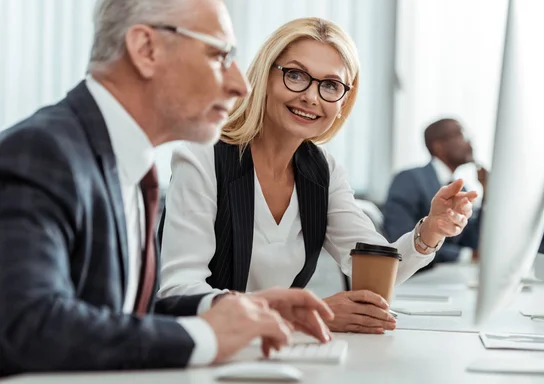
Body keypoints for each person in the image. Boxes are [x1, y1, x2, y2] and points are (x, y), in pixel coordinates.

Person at [0, 0, 334, 376]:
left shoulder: (134, 167)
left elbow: (121, 311)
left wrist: (231, 308)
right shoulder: (44, 152)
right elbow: (27, 325)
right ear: (146, 49)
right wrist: (205, 337)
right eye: (219, 55)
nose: (241, 86)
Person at [158, 18, 478, 335]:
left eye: (330, 85)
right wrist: (307, 314)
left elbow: (377, 274)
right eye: (295, 75)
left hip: (279, 356)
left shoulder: (323, 170)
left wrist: (432, 231)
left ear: (343, 102)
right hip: (201, 356)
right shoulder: (203, 156)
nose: (311, 97)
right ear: (265, 76)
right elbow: (180, 294)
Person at [383, 118, 486, 265]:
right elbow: (400, 239)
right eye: (462, 136)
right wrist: (465, 255)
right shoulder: (409, 179)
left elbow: (473, 241)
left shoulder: (461, 189)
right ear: (439, 146)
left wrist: (487, 194)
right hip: (415, 278)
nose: (470, 143)